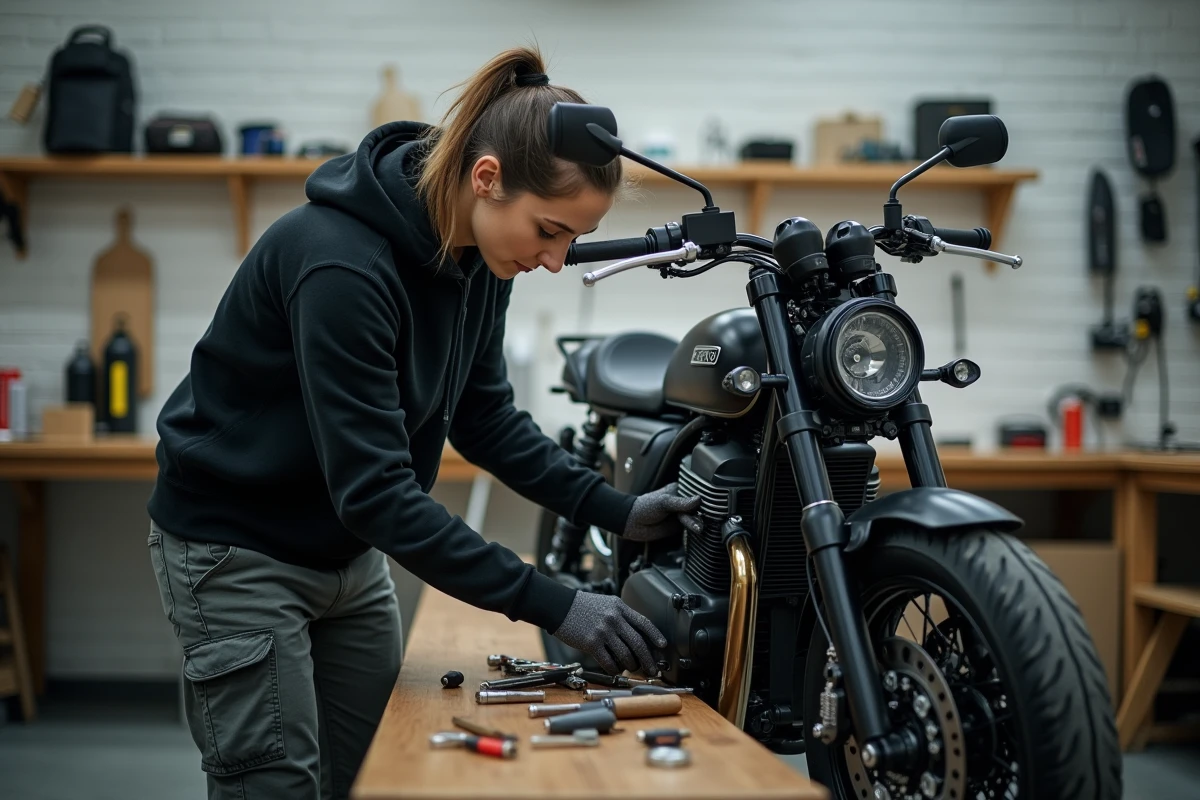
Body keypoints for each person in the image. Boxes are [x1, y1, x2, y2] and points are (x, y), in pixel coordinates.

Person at [145, 45, 700, 800]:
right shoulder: (341, 265)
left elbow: (484, 418)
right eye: (549, 231)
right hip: (235, 550)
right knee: (276, 783)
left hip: (344, 553)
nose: (557, 261)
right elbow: (376, 492)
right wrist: (556, 604)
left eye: (570, 238)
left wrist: (618, 509)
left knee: (381, 768)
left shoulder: (479, 256)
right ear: (486, 178)